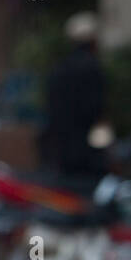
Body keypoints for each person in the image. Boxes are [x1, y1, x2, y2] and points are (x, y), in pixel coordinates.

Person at [40, 12, 107, 179]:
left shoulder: (59, 69)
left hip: (61, 149)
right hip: (87, 152)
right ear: (94, 41)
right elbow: (96, 110)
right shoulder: (92, 68)